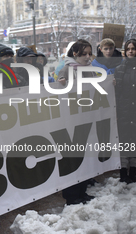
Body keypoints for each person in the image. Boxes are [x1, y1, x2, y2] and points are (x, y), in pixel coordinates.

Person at [57, 39, 96, 205]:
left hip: (86, 119)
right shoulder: (67, 69)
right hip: (71, 121)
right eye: (84, 54)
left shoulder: (91, 70)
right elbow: (56, 94)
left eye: (89, 53)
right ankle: (72, 196)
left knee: (85, 157)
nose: (87, 57)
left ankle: (82, 190)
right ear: (75, 54)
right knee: (73, 158)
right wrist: (60, 85)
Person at [114, 38, 136, 183]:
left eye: (133, 48)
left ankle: (133, 170)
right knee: (123, 140)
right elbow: (117, 93)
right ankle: (123, 170)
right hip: (124, 110)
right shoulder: (119, 69)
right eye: (128, 49)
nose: (131, 51)